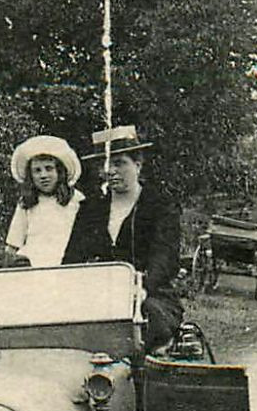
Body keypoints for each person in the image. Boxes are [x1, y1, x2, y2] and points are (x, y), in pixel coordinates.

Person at [62, 129, 183, 349]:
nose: (110, 171)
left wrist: (142, 286)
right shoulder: (91, 209)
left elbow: (165, 257)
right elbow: (72, 259)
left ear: (138, 165)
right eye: (105, 164)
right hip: (98, 296)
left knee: (149, 328)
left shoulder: (160, 206)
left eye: (119, 163)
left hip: (150, 296)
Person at [5, 135, 84, 268]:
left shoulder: (76, 199)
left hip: (66, 264)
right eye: (37, 171)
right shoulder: (26, 203)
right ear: (30, 176)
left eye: (49, 168)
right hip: (32, 266)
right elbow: (13, 243)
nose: (43, 176)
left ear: (60, 171)